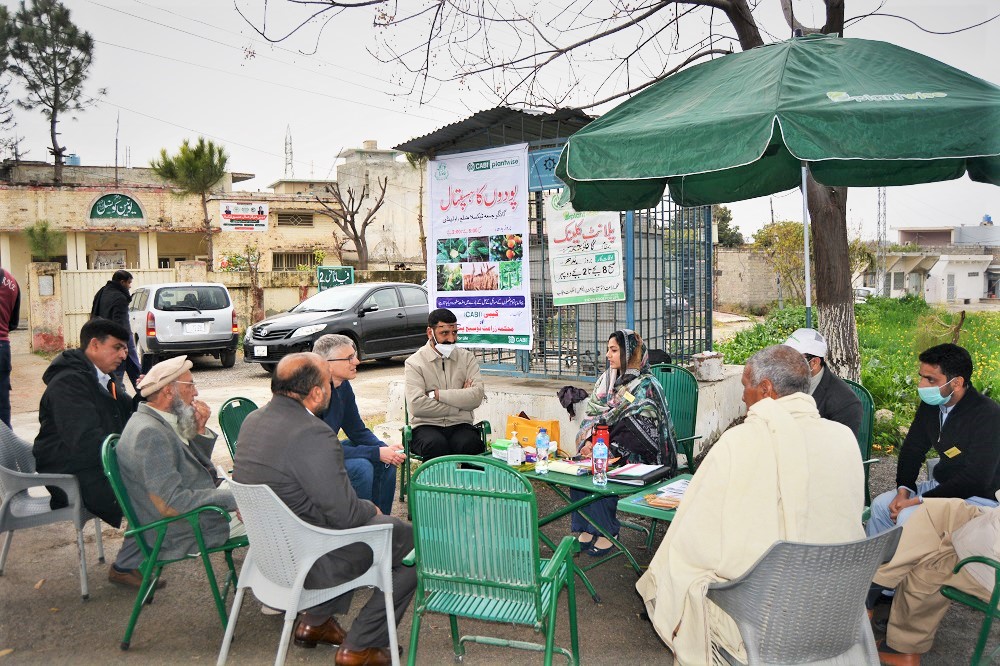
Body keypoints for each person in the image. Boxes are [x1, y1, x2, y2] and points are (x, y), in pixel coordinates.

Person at [636, 345, 865, 665]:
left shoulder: (738, 443)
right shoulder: (843, 439)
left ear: (766, 389)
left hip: (760, 616)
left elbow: (693, 541)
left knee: (680, 572)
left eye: (745, 385)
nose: (743, 396)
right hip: (832, 608)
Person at [234, 353, 415, 666]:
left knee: (366, 531)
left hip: (269, 555)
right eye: (328, 383)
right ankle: (361, 646)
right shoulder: (313, 432)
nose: (331, 389)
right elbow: (345, 515)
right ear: (316, 393)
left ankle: (314, 623)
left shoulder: (254, 420)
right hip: (309, 558)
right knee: (414, 544)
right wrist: (370, 508)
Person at [33, 318, 145, 585]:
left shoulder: (100, 378)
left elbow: (127, 415)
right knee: (152, 487)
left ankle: (132, 560)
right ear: (94, 345)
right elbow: (85, 441)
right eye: (117, 347)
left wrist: (145, 394)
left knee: (155, 476)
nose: (123, 354)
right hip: (68, 473)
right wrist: (130, 458)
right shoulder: (69, 383)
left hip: (89, 463)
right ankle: (126, 566)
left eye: (125, 349)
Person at [114, 356, 243, 581]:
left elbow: (194, 467)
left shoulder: (155, 420)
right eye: (191, 385)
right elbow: (171, 504)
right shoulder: (150, 434)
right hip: (181, 528)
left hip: (188, 514)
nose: (196, 393)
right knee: (277, 517)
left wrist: (199, 430)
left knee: (267, 503)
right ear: (168, 392)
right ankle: (279, 591)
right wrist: (234, 500)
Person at [866, 343, 1000, 537]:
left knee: (909, 516)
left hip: (978, 498)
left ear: (957, 383)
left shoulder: (988, 415)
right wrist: (904, 491)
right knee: (881, 506)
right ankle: (879, 566)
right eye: (921, 377)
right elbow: (913, 449)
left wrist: (918, 501)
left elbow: (976, 479)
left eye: (930, 379)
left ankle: (907, 566)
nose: (922, 385)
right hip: (941, 486)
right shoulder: (933, 405)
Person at [571, 329, 678, 557]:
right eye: (607, 350)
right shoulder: (607, 380)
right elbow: (594, 415)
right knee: (583, 463)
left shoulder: (646, 385)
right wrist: (590, 441)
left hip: (642, 454)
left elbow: (642, 434)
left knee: (603, 465)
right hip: (608, 444)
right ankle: (585, 526)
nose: (608, 355)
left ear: (630, 353)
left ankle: (606, 531)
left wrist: (608, 449)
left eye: (614, 350)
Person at [871, 497, 1000, 666]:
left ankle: (903, 649)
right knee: (942, 509)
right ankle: (876, 584)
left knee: (930, 566)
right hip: (988, 527)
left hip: (990, 560)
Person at [313, 334, 405, 515]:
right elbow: (319, 448)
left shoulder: (343, 387)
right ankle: (360, 525)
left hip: (327, 450)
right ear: (327, 363)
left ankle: (381, 523)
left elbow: (357, 431)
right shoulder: (312, 393)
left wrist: (385, 450)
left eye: (354, 355)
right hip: (310, 459)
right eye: (349, 358)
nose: (357, 361)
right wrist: (376, 452)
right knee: (362, 467)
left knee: (386, 462)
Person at [404, 308, 485, 460]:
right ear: (430, 333)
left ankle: (469, 484)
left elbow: (476, 397)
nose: (451, 339)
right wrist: (460, 403)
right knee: (435, 444)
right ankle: (437, 485)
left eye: (454, 332)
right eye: (444, 333)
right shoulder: (414, 363)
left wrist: (437, 395)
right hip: (426, 425)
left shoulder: (467, 358)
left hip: (460, 423)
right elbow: (417, 405)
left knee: (471, 443)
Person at [783, 327, 862, 436]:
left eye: (792, 359)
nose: (785, 364)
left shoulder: (845, 403)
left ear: (814, 363)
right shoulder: (782, 382)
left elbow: (841, 448)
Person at [91, 269, 141, 390]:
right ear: (122, 282)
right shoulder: (120, 298)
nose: (129, 286)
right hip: (119, 339)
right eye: (129, 283)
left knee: (125, 370)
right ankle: (122, 398)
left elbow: (94, 313)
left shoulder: (102, 292)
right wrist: (124, 344)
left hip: (103, 337)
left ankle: (142, 395)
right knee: (120, 371)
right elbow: (121, 322)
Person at [0, 267, 20, 428]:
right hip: (2, 348)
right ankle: (6, 448)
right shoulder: (11, 281)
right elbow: (13, 323)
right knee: (2, 406)